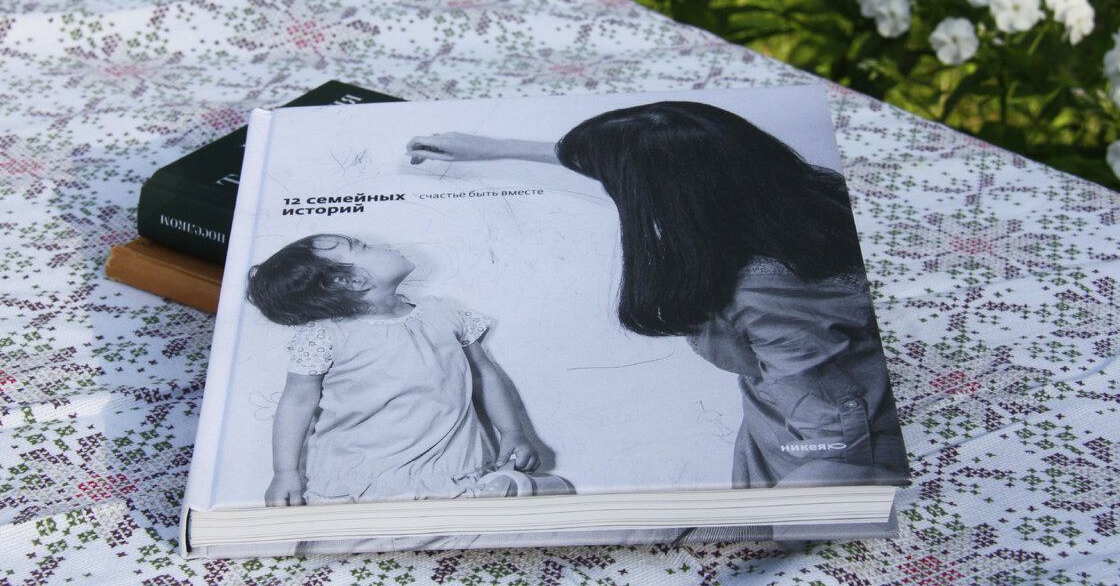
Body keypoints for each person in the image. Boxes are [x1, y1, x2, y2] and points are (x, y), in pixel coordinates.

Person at [407, 101, 909, 492]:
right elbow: (653, 162)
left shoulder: (769, 294)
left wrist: (765, 523)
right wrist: (493, 148)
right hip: (779, 428)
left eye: (624, 184)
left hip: (815, 461)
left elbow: (837, 448)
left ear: (669, 195)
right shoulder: (794, 197)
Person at [246, 233, 541, 509]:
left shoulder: (444, 314)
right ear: (352, 280)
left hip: (453, 474)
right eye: (361, 247)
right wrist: (285, 472)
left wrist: (511, 431)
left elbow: (482, 374)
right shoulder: (326, 336)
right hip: (359, 481)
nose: (381, 244)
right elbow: (297, 402)